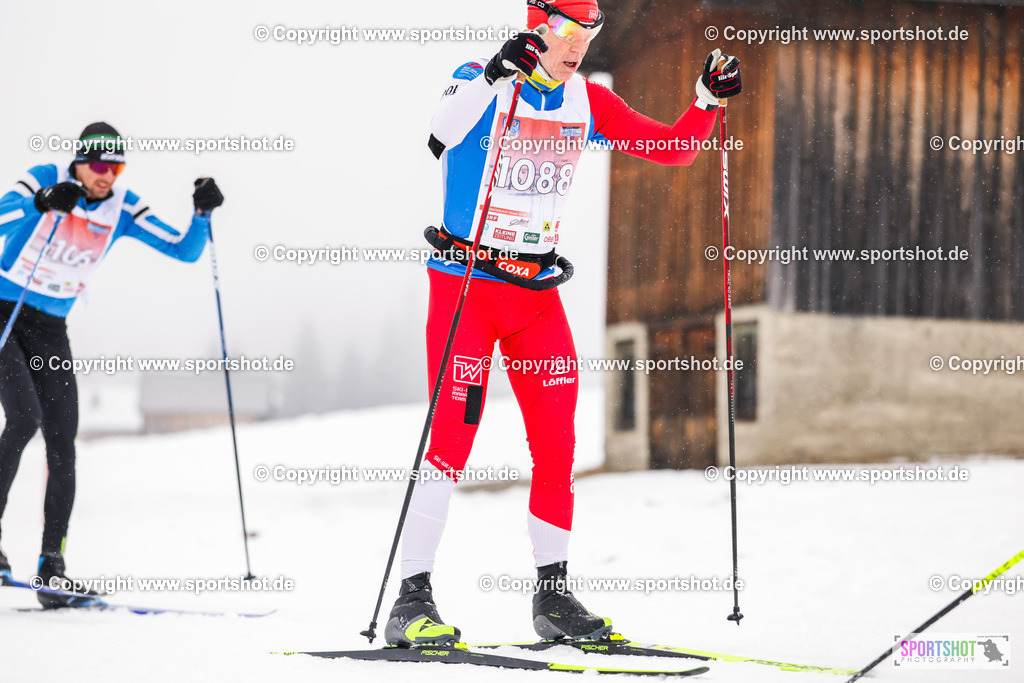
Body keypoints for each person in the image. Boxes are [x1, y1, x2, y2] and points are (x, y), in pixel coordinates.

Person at [385, 0, 742, 646]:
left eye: (590, 33)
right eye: (569, 32)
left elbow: (674, 149)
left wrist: (705, 102)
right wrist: (495, 74)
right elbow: (439, 134)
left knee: (557, 446)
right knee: (450, 442)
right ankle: (411, 598)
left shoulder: (587, 102)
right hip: (467, 287)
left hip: (535, 297)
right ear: (538, 26)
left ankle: (552, 593)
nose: (579, 46)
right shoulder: (480, 79)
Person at [0, 122, 224, 608]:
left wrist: (201, 213)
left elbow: (183, 251)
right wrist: (40, 202)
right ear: (79, 160)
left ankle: (51, 568)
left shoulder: (122, 205)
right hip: (5, 312)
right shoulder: (44, 176)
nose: (108, 176)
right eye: (100, 165)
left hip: (51, 327)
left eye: (117, 166)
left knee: (63, 441)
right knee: (24, 420)